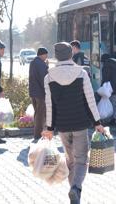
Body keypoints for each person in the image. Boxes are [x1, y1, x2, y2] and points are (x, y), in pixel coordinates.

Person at [42, 42, 104, 204]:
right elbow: (90, 101)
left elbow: (50, 105)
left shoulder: (48, 77)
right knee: (81, 160)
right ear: (70, 54)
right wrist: (97, 122)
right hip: (80, 124)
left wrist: (49, 128)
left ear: (56, 56)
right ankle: (75, 189)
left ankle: (74, 195)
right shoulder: (81, 73)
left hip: (62, 126)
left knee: (70, 161)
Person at [29, 47, 49, 141]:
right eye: (46, 55)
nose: (46, 57)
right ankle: (38, 135)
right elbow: (44, 79)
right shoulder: (41, 64)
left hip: (33, 92)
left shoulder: (33, 62)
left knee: (37, 113)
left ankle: (38, 133)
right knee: (40, 114)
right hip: (40, 93)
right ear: (42, 54)